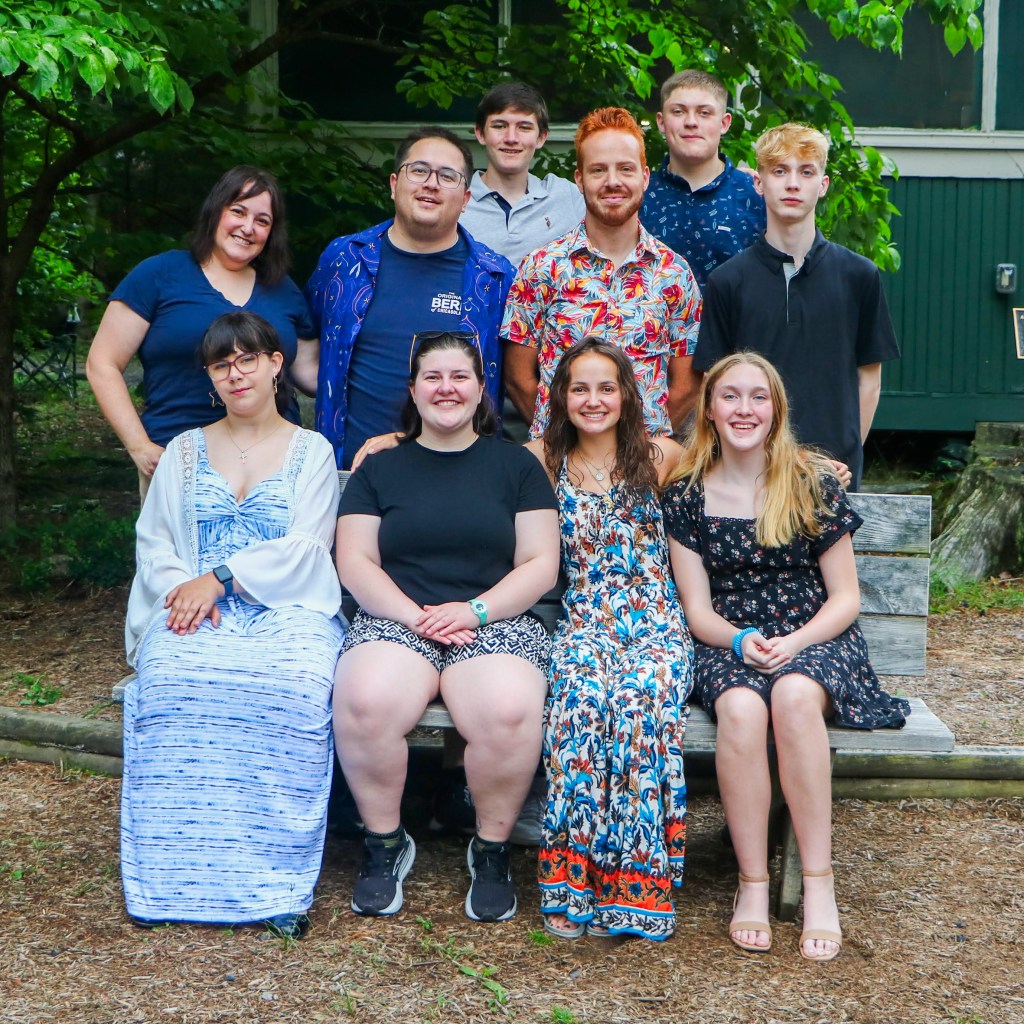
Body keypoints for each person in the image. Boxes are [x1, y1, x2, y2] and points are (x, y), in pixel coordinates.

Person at [662, 351, 910, 961]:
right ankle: (752, 881)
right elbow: (697, 610)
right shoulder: (686, 494)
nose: (744, 409)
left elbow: (845, 598)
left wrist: (796, 643)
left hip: (815, 635)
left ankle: (819, 884)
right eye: (730, 397)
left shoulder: (809, 483)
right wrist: (740, 640)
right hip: (729, 638)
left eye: (758, 397)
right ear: (709, 410)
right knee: (742, 709)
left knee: (795, 696)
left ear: (776, 410)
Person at [121, 311, 344, 940]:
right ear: (210, 378)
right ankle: (172, 879)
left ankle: (276, 885)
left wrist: (218, 579)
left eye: (248, 359)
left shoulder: (313, 451)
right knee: (173, 681)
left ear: (276, 365)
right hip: (191, 604)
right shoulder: (184, 451)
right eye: (221, 365)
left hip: (288, 610)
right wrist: (186, 591)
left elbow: (307, 548)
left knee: (293, 685)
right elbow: (155, 542)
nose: (235, 373)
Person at [334, 331, 560, 922]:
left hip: (495, 619)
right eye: (432, 377)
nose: (447, 388)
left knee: (508, 710)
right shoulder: (380, 468)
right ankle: (384, 843)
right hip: (397, 617)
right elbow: (355, 561)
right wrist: (416, 617)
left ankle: (490, 850)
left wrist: (475, 610)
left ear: (481, 389)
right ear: (413, 390)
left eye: (460, 376)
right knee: (364, 700)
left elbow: (540, 563)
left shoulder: (516, 466)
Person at [525, 337, 693, 941]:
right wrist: (391, 439)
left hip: (658, 625)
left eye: (606, 387)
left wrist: (813, 462)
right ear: (560, 397)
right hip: (585, 622)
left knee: (637, 703)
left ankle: (634, 885)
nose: (593, 400)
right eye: (579, 388)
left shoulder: (662, 454)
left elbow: (745, 454)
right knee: (579, 704)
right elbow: (462, 453)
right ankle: (573, 882)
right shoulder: (541, 459)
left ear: (626, 395)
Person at [86, 166, 313, 501]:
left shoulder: (283, 290)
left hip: (273, 470)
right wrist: (139, 446)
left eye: (262, 220)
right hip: (178, 465)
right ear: (215, 211)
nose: (248, 227)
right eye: (238, 211)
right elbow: (102, 363)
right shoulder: (159, 274)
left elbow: (313, 373)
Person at [694, 123, 900, 490]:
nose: (793, 184)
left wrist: (845, 456)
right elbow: (715, 383)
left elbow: (869, 378)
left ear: (823, 184)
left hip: (833, 474)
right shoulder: (728, 281)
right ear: (759, 182)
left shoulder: (858, 275)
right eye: (779, 171)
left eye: (806, 172)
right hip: (751, 476)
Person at [302, 127, 515, 470]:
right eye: (419, 170)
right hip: (350, 475)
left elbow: (514, 380)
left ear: (465, 199)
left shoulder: (495, 279)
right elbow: (305, 337)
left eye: (447, 176)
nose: (431, 183)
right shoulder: (344, 260)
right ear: (393, 184)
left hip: (459, 477)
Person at [503, 107, 702, 441]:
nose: (613, 182)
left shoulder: (675, 274)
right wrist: (559, 443)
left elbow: (687, 384)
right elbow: (518, 378)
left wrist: (643, 451)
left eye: (625, 169)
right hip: (559, 464)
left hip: (646, 464)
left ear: (645, 177)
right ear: (580, 179)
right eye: (598, 170)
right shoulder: (541, 267)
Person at [640, 69, 765, 291]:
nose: (691, 122)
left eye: (704, 113)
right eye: (678, 111)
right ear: (661, 122)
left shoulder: (756, 195)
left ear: (724, 123)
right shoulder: (639, 196)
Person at [460, 81, 585, 271]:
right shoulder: (454, 200)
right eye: (499, 126)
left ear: (541, 137)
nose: (511, 138)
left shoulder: (568, 197)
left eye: (524, 127)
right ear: (480, 133)